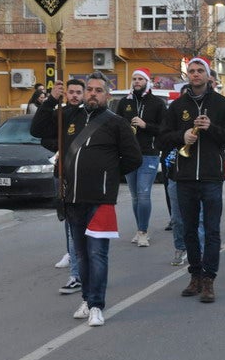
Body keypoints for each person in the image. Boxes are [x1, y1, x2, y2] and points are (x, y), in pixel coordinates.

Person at [31, 72, 142, 327]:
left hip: (101, 199)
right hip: (72, 197)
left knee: (97, 254)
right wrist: (51, 100)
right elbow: (38, 130)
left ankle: (96, 305)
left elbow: (133, 158)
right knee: (80, 254)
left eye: (98, 90)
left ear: (107, 95)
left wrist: (108, 175)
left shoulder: (116, 123)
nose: (92, 93)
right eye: (89, 89)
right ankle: (86, 298)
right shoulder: (71, 115)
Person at [158, 56, 225, 303]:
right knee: (189, 229)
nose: (195, 74)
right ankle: (194, 275)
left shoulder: (222, 104)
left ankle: (209, 280)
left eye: (199, 70)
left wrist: (211, 127)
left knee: (212, 230)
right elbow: (162, 138)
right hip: (184, 177)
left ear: (207, 75)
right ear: (188, 76)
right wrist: (182, 135)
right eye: (191, 71)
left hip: (212, 176)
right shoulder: (177, 105)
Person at [115, 68, 167, 247]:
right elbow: (116, 126)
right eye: (134, 79)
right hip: (129, 155)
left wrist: (146, 125)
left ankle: (143, 232)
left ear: (147, 81)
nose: (136, 81)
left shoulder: (157, 103)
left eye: (140, 79)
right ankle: (139, 229)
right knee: (135, 196)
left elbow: (164, 129)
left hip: (149, 154)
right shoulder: (124, 103)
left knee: (144, 194)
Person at [52, 79, 86, 295]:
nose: (74, 95)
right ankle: (76, 271)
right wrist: (50, 101)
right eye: (70, 92)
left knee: (87, 232)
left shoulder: (90, 117)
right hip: (63, 175)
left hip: (85, 179)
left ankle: (86, 273)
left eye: (78, 92)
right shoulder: (60, 114)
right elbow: (40, 132)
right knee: (70, 228)